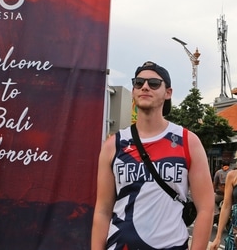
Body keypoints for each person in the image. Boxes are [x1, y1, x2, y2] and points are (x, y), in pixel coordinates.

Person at [91, 61, 215, 250]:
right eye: (138, 83)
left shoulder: (187, 141)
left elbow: (206, 208)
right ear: (133, 91)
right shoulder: (113, 145)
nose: (145, 87)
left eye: (154, 83)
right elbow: (102, 210)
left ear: (168, 92)